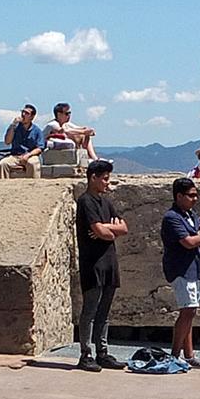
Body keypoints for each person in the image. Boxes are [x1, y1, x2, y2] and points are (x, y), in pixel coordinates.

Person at [75, 159, 129, 372]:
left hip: (109, 262)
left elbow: (123, 228)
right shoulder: (86, 201)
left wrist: (106, 227)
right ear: (93, 178)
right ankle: (86, 353)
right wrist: (107, 229)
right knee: (90, 310)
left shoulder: (106, 202)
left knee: (104, 312)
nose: (107, 183)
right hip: (93, 264)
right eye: (104, 178)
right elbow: (101, 233)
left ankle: (102, 352)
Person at [160, 177, 200, 369]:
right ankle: (174, 354)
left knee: (191, 311)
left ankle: (189, 355)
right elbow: (188, 242)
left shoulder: (192, 215)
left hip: (196, 268)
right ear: (179, 196)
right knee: (187, 310)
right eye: (191, 196)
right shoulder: (172, 217)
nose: (195, 199)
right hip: (181, 269)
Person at [0, 104, 45, 179]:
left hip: (30, 155)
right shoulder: (15, 127)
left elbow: (40, 148)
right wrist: (13, 125)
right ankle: (4, 185)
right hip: (15, 155)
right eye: (23, 112)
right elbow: (7, 141)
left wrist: (28, 155)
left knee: (33, 164)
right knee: (3, 164)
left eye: (27, 113)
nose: (23, 115)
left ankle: (33, 185)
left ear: (32, 117)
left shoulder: (37, 131)